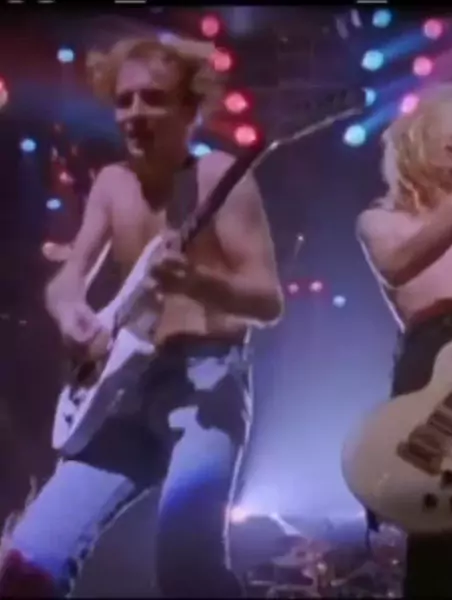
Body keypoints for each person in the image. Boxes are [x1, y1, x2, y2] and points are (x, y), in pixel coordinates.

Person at [0, 34, 283, 598]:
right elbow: (67, 278)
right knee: (24, 568)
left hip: (207, 385)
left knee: (186, 569)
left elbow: (268, 300)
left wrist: (197, 283)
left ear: (189, 109)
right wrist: (72, 313)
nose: (134, 113)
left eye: (153, 98)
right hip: (124, 393)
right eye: (124, 100)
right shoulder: (112, 184)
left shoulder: (219, 175)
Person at [356, 83, 452, 597]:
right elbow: (399, 264)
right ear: (417, 143)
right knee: (437, 544)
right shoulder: (380, 221)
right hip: (433, 368)